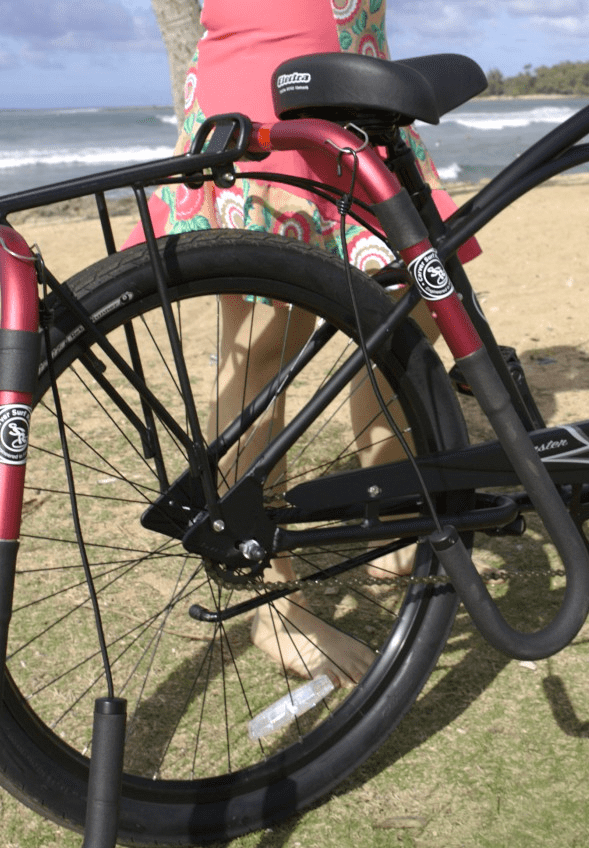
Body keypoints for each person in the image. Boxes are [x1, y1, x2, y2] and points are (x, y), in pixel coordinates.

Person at [129, 0, 472, 687]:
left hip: (364, 85)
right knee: (260, 347)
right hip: (259, 84)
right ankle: (272, 596)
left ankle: (389, 506)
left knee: (415, 307)